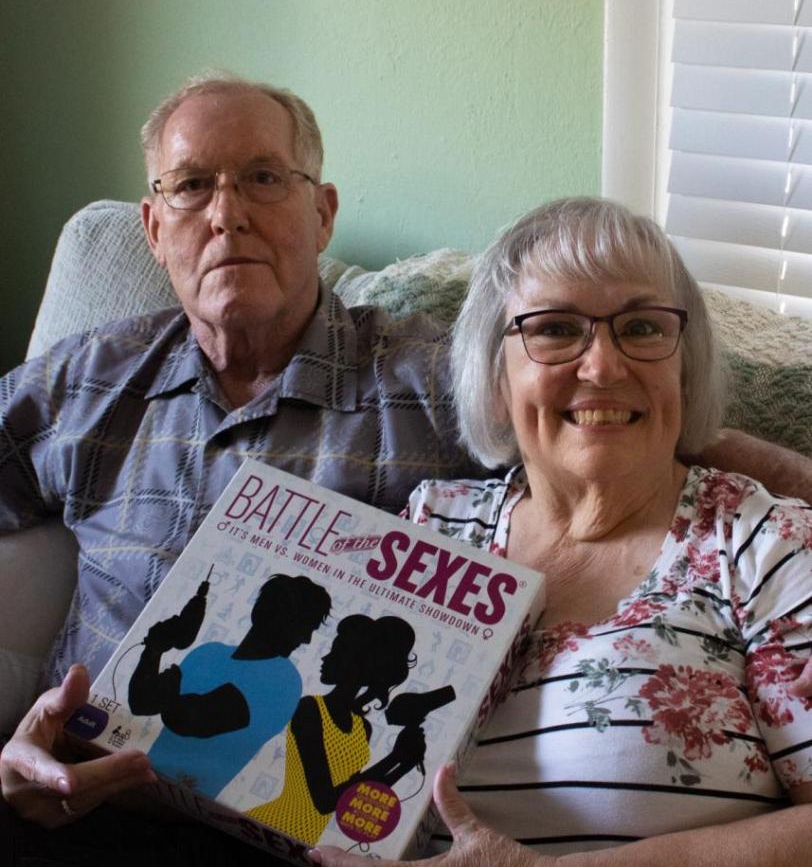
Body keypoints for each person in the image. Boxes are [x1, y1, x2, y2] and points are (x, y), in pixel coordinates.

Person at [0, 76, 810, 864]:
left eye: (262, 177)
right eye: (190, 186)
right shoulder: (89, 380)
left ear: (322, 214)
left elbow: (607, 424)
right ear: (151, 225)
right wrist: (27, 745)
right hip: (74, 804)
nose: (226, 214)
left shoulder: (423, 381)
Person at [311, 197, 812, 867]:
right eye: (553, 329)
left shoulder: (763, 545)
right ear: (495, 378)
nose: (602, 366)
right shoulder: (435, 524)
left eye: (640, 327)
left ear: (684, 371)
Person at [128, 574, 332, 799]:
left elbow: (190, 719)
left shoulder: (283, 681)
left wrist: (168, 682)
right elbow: (140, 702)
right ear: (270, 616)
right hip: (139, 777)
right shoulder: (209, 653)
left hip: (190, 801)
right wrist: (154, 649)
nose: (307, 640)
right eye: (305, 627)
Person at [246, 614, 426, 845]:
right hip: (272, 827)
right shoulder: (310, 709)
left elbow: (354, 797)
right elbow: (325, 801)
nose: (324, 657)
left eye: (336, 651)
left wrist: (406, 763)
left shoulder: (363, 728)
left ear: (357, 662)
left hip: (304, 841)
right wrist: (394, 758)